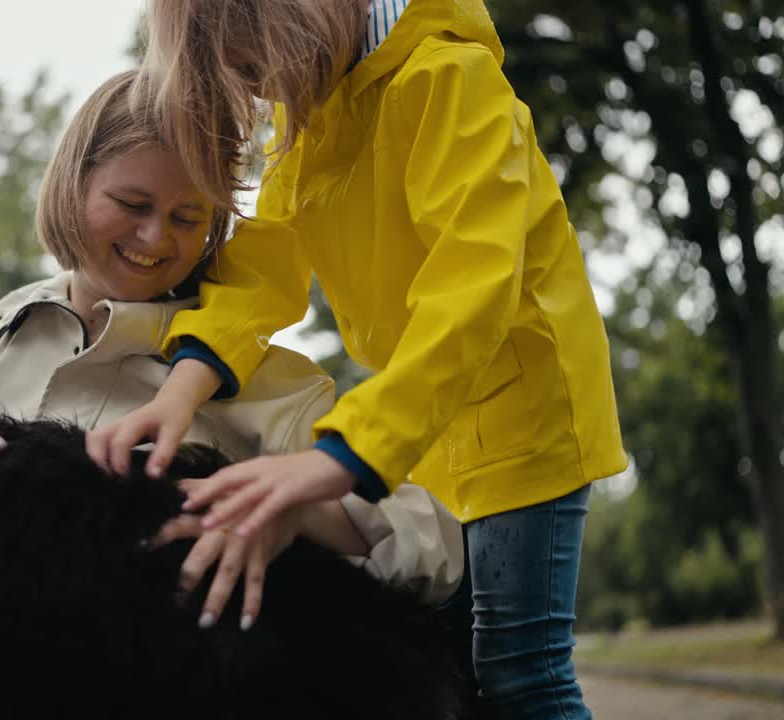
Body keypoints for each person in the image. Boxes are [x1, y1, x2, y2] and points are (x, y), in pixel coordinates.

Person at [0, 69, 464, 632]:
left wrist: (297, 513)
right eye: (133, 205)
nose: (156, 240)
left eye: (188, 216)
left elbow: (435, 543)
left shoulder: (275, 384)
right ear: (72, 184)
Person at [89, 2, 628, 717]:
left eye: (251, 69)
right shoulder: (309, 125)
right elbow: (264, 269)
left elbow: (473, 285)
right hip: (424, 428)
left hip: (520, 422)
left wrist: (342, 457)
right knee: (446, 671)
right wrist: (178, 394)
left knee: (518, 675)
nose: (258, 95)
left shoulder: (448, 77)